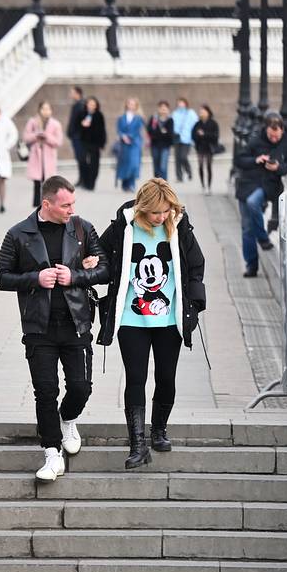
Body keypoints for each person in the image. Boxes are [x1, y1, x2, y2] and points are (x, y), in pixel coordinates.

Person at [0, 176, 110, 481]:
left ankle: (68, 418)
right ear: (46, 204)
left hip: (77, 324)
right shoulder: (19, 234)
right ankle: (51, 453)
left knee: (81, 388)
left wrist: (75, 276)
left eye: (73, 203)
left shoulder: (82, 229)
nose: (72, 209)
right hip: (39, 328)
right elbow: (1, 277)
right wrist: (35, 278)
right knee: (45, 392)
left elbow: (105, 270)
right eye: (65, 205)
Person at [97, 179, 206, 469]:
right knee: (135, 378)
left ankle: (159, 430)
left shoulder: (179, 226)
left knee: (166, 377)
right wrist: (92, 264)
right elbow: (101, 255)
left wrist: (194, 305)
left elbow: (196, 265)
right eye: (156, 212)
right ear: (143, 208)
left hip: (169, 319)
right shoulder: (124, 226)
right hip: (131, 318)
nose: (161, 217)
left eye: (166, 211)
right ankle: (137, 445)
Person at [234, 114, 287, 277]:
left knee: (252, 202)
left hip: (267, 184)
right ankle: (251, 266)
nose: (274, 139)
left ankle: (263, 238)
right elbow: (239, 160)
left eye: (276, 136)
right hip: (247, 182)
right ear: (266, 130)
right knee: (246, 228)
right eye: (271, 136)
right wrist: (256, 160)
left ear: (282, 130)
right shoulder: (256, 139)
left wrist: (278, 167)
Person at [24, 101, 63, 208]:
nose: (46, 111)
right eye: (43, 109)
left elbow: (58, 141)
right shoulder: (33, 122)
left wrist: (47, 137)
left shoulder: (55, 124)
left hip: (49, 156)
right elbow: (26, 137)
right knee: (37, 182)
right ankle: (37, 205)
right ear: (39, 110)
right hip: (36, 156)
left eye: (48, 109)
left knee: (48, 182)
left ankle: (48, 204)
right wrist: (36, 135)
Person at [74, 96, 106, 191]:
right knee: (83, 162)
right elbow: (76, 127)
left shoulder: (99, 115)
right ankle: (85, 181)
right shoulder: (81, 114)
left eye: (93, 104)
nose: (91, 106)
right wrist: (82, 125)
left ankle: (91, 183)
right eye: (90, 104)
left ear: (96, 106)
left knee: (94, 164)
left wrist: (102, 143)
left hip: (95, 143)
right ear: (87, 105)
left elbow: (102, 130)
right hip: (83, 142)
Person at [115, 98, 145, 193]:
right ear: (126, 105)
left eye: (133, 104)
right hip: (124, 144)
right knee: (124, 163)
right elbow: (119, 129)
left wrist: (129, 137)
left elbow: (137, 130)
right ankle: (125, 184)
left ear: (136, 106)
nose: (131, 106)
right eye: (129, 104)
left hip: (135, 143)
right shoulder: (121, 117)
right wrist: (123, 136)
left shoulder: (139, 118)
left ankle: (132, 184)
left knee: (134, 164)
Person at [192, 104, 220, 194]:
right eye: (200, 112)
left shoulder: (213, 123)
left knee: (208, 166)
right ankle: (203, 185)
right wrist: (198, 136)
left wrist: (204, 134)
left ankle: (209, 186)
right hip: (200, 148)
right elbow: (193, 136)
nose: (202, 113)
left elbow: (215, 136)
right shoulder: (197, 124)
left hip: (209, 148)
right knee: (200, 166)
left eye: (203, 111)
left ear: (208, 112)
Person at [171, 97, 198, 183]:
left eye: (182, 102)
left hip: (187, 139)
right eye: (179, 103)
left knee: (183, 157)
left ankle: (188, 170)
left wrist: (194, 138)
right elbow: (172, 125)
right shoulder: (174, 113)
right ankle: (179, 177)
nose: (180, 104)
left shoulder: (191, 113)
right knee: (177, 159)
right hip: (177, 138)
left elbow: (196, 125)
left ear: (185, 103)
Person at [147, 101, 175, 181]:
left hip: (165, 146)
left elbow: (170, 134)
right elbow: (149, 130)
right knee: (156, 167)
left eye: (165, 109)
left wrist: (160, 133)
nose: (163, 111)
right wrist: (161, 133)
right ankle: (156, 185)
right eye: (161, 109)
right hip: (155, 145)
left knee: (163, 166)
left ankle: (164, 185)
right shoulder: (154, 119)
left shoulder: (170, 120)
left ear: (168, 110)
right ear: (158, 109)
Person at [67, 86, 87, 189]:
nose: (70, 94)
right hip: (75, 137)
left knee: (82, 158)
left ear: (77, 93)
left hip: (79, 138)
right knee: (79, 159)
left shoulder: (82, 105)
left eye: (72, 92)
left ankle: (84, 180)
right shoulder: (77, 105)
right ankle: (81, 179)